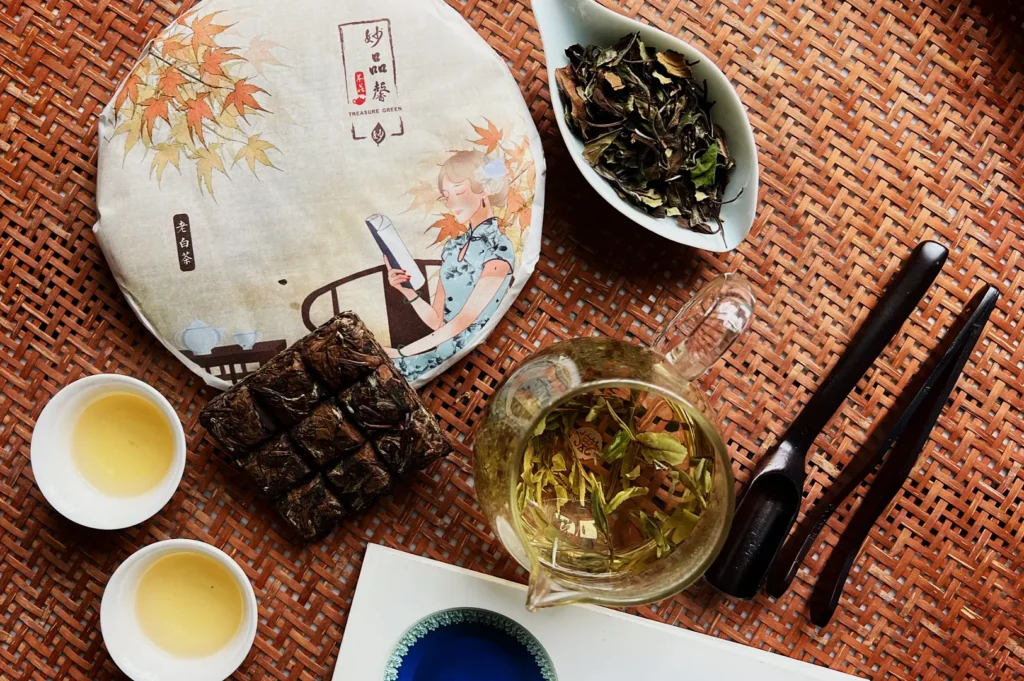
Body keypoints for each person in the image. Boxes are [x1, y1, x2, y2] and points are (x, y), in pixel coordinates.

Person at [383, 150, 515, 380]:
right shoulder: (453, 247)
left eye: (459, 191)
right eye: (446, 195)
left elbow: (464, 322)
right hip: (437, 350)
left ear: (483, 189)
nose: (451, 202)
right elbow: (437, 321)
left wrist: (400, 353)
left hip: (465, 360)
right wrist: (406, 290)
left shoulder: (499, 249)